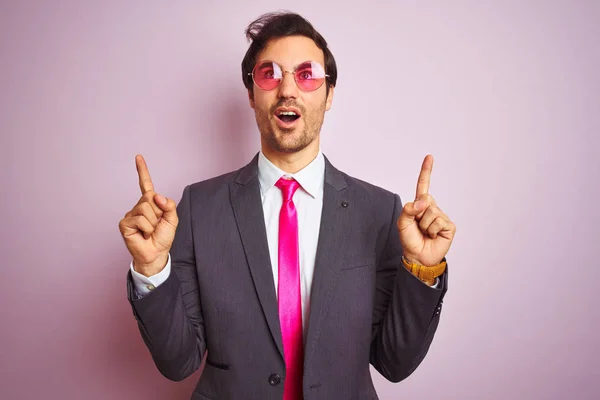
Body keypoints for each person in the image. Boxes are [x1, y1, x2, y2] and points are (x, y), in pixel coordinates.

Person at [119, 11, 456, 400]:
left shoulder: (380, 212)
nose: (288, 90)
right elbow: (178, 361)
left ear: (329, 95)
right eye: (270, 74)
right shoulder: (198, 208)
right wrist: (151, 270)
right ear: (251, 94)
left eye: (307, 74)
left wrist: (423, 269)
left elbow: (395, 363)